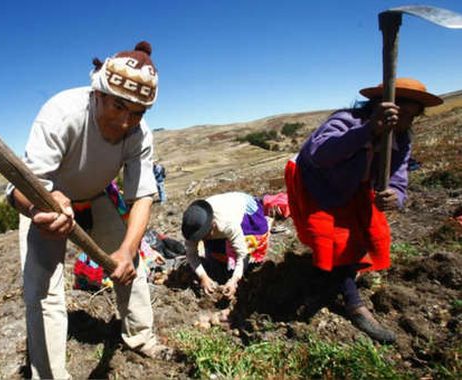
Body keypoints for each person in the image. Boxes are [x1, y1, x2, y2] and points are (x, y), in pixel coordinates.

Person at [8, 41, 167, 378]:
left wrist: (126, 249)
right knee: (43, 292)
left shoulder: (140, 134)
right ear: (98, 93)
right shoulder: (61, 113)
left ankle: (140, 337)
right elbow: (19, 188)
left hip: (96, 197)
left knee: (129, 266)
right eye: (118, 106)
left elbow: (142, 196)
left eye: (137, 113)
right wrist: (41, 208)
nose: (126, 121)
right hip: (48, 201)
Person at [284, 78, 443, 344]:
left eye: (411, 118)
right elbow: (320, 153)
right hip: (319, 180)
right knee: (334, 235)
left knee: (369, 228)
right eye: (401, 114)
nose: (404, 123)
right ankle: (353, 304)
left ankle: (337, 275)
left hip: (356, 185)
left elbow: (399, 176)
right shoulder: (348, 120)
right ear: (381, 107)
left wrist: (396, 195)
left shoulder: (401, 138)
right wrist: (368, 130)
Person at [181, 192, 271, 299]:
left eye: (205, 235)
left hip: (243, 209)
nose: (202, 239)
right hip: (221, 213)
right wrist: (203, 277)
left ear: (212, 226)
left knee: (249, 246)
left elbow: (242, 254)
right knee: (216, 253)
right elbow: (191, 255)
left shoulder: (227, 224)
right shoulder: (192, 227)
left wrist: (234, 280)